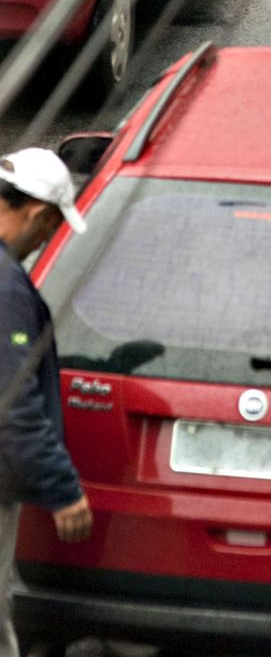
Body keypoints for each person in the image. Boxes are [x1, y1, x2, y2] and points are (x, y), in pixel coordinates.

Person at [0, 149, 92, 657]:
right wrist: (60, 488)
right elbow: (12, 400)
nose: (44, 241)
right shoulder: (5, 287)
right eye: (51, 227)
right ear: (38, 213)